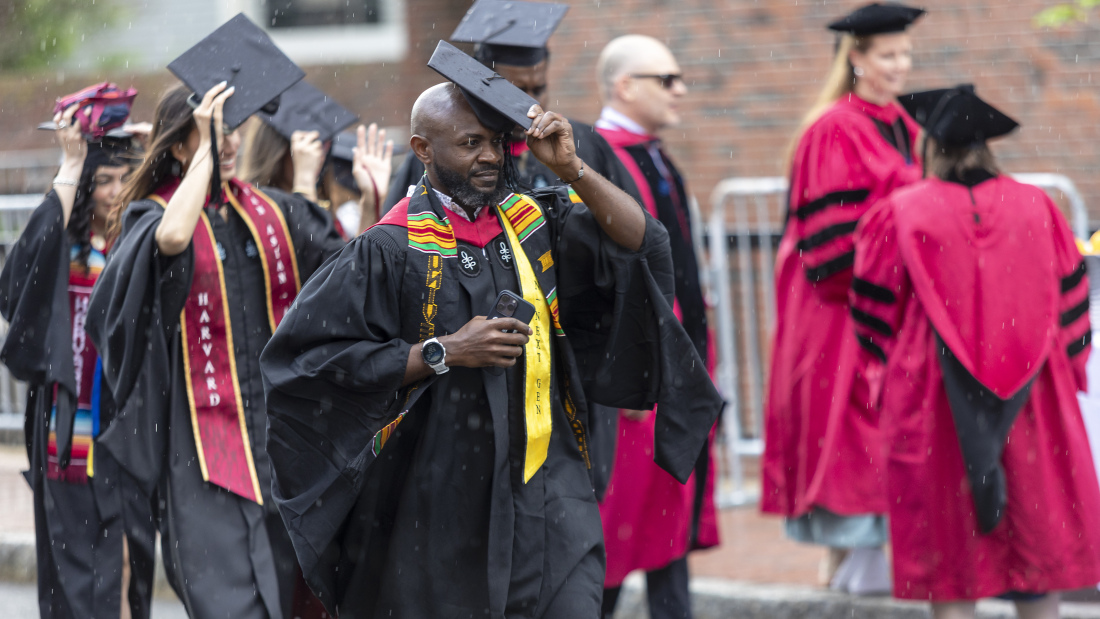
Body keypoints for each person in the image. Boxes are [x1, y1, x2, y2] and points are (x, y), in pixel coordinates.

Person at [259, 41, 721, 618]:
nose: (490, 157)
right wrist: (443, 351)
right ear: (424, 149)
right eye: (470, 143)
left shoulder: (536, 221)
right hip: (444, 498)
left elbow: (639, 241)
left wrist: (571, 169)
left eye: (497, 143)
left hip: (552, 485)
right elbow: (308, 362)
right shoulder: (389, 248)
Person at [86, 15, 345, 619]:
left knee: (289, 590)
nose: (229, 144)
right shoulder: (150, 219)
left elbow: (342, 269)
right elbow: (174, 238)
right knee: (227, 596)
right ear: (180, 145)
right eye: (212, 134)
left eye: (234, 131)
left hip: (276, 435)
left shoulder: (271, 213)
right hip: (199, 441)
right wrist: (201, 148)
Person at [851, 83, 1100, 619]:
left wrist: (881, 379)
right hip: (1035, 401)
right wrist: (1067, 369)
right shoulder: (1040, 206)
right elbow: (1072, 308)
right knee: (1036, 552)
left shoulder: (897, 212)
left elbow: (873, 321)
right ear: (989, 147)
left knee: (951, 565)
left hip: (935, 403)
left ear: (929, 148)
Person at [760, 1, 925, 590]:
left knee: (883, 424)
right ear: (855, 58)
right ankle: (843, 569)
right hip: (841, 308)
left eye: (905, 54)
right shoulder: (835, 127)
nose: (900, 66)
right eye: (888, 55)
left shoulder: (903, 125)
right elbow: (829, 247)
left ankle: (869, 566)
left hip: (886, 305)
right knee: (851, 428)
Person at [0, 87, 156, 619]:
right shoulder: (64, 249)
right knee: (74, 582)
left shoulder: (138, 242)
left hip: (128, 437)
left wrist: (158, 157)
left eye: (122, 180)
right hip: (69, 437)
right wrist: (70, 164)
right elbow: (16, 282)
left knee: (126, 573)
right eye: (104, 181)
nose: (113, 192)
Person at [591, 34, 719, 619]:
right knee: (619, 524)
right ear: (625, 86)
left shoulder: (653, 152)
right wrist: (635, 368)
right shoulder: (597, 156)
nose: (681, 90)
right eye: (666, 80)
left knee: (666, 513)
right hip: (639, 378)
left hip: (674, 365)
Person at [382, 0, 637, 211]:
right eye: (517, 91)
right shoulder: (446, 152)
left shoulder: (584, 143)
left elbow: (636, 232)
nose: (530, 104)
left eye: (538, 89)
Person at [240, 80, 394, 240]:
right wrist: (304, 184)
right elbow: (307, 257)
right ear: (276, 149)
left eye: (325, 145)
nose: (319, 155)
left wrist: (370, 204)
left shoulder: (326, 209)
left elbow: (347, 263)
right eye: (311, 144)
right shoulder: (252, 208)